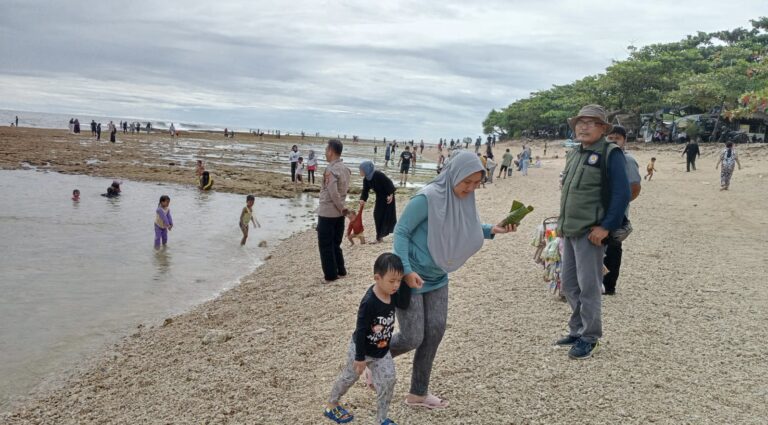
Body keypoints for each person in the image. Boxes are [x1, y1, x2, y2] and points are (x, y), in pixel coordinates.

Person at [389, 151, 517, 409]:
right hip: (411, 276)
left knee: (435, 332)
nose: (470, 189)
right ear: (454, 175)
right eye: (466, 182)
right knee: (413, 337)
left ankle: (418, 394)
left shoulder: (463, 200)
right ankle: (371, 353)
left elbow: (463, 229)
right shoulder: (427, 198)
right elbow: (400, 232)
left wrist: (492, 229)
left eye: (476, 183)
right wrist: (407, 271)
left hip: (438, 277)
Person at [556, 105, 630, 359]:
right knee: (569, 284)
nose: (583, 127)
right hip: (570, 229)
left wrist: (606, 227)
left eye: (590, 122)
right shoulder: (575, 153)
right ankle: (577, 330)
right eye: (580, 122)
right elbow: (569, 192)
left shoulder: (611, 153)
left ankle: (590, 337)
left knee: (589, 287)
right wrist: (561, 226)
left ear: (603, 128)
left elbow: (622, 194)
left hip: (591, 232)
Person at [324, 253, 405, 425]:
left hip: (381, 351)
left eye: (399, 280)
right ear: (377, 278)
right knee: (349, 377)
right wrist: (359, 358)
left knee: (389, 380)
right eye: (392, 281)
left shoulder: (393, 293)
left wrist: (411, 286)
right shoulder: (369, 302)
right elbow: (360, 331)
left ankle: (381, 419)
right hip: (361, 350)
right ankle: (332, 403)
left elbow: (404, 304)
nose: (396, 285)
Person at [603, 126, 642, 296]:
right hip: (601, 211)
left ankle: (609, 285)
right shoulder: (603, 158)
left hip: (617, 212)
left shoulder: (628, 160)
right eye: (610, 138)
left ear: (624, 140)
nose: (613, 141)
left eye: (617, 138)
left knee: (613, 246)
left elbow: (635, 187)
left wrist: (618, 205)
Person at [317, 139, 351, 284]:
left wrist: (342, 208)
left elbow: (332, 192)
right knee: (336, 243)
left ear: (331, 151)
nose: (325, 153)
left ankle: (330, 276)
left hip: (328, 212)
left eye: (326, 150)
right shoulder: (345, 169)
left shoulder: (331, 169)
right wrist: (342, 209)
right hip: (339, 214)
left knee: (325, 245)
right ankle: (341, 270)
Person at [359, 161, 397, 244]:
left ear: (366, 169)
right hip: (380, 197)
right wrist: (362, 199)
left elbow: (389, 183)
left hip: (388, 197)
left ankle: (397, 235)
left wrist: (391, 194)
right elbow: (365, 190)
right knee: (377, 215)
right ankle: (379, 237)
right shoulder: (366, 179)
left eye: (361, 170)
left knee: (388, 217)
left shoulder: (378, 175)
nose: (360, 172)